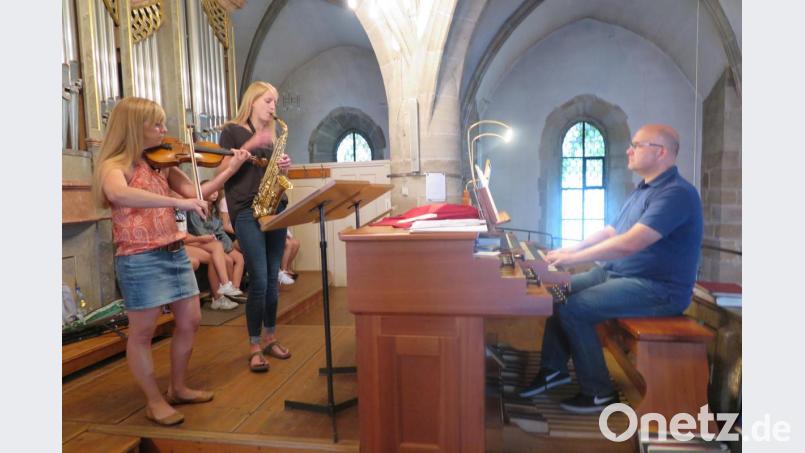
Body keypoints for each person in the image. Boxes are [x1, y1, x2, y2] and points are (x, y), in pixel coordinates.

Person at [518, 124, 703, 414]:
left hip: (657, 288)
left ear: (661, 152)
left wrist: (574, 260)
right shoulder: (643, 190)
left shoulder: (677, 194)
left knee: (574, 308)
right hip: (618, 274)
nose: (629, 150)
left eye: (637, 145)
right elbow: (610, 231)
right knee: (557, 293)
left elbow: (630, 244)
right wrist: (571, 250)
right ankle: (554, 370)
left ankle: (599, 392)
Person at [93, 97, 251, 425]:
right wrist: (174, 201)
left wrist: (231, 168)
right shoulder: (115, 164)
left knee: (191, 320)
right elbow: (120, 194)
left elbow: (200, 191)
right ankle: (153, 401)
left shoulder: (162, 163)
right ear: (135, 128)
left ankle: (177, 387)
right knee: (142, 332)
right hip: (140, 258)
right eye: (157, 124)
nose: (165, 130)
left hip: (174, 252)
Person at [217, 81, 294, 372]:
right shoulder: (232, 131)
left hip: (274, 208)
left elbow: (271, 173)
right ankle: (254, 345)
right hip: (247, 211)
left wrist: (283, 167)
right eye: (268, 101)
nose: (274, 107)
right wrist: (249, 145)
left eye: (275, 102)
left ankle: (271, 336)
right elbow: (222, 171)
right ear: (252, 102)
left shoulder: (272, 138)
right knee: (259, 278)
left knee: (273, 276)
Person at [187, 181, 246, 304]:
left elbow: (220, 231)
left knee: (239, 258)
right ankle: (223, 293)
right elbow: (199, 232)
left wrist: (228, 246)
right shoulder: (194, 209)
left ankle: (234, 289)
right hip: (202, 241)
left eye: (216, 191)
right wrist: (218, 243)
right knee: (228, 260)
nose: (215, 194)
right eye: (211, 190)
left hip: (215, 242)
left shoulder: (214, 210)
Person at [185, 234, 239, 310]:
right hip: (174, 246)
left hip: (183, 241)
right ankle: (222, 290)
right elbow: (176, 239)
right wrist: (199, 239)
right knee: (216, 249)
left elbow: (184, 233)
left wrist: (202, 239)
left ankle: (221, 292)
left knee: (217, 247)